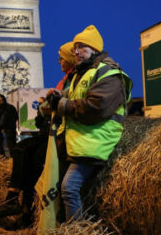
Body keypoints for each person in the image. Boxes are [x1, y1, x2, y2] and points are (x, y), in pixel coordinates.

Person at [48, 25, 132, 221]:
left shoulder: (109, 73)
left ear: (95, 49)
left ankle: (77, 230)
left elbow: (96, 108)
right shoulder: (82, 73)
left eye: (82, 47)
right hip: (80, 139)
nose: (76, 51)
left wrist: (63, 105)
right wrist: (60, 95)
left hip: (96, 140)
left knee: (69, 188)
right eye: (75, 47)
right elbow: (76, 97)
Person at [0, 41, 76, 229]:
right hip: (51, 131)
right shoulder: (65, 80)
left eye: (62, 57)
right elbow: (46, 108)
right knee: (23, 151)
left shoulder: (74, 80)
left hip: (62, 133)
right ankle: (18, 204)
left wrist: (49, 103)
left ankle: (18, 205)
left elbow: (50, 106)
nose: (59, 61)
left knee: (29, 161)